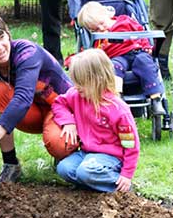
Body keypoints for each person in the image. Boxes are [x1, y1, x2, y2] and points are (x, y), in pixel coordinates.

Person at [0, 10, 77, 183]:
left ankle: (65, 156)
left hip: (64, 110)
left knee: (58, 144)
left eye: (1, 37)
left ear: (8, 33)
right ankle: (11, 165)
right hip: (30, 114)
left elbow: (23, 98)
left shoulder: (27, 52)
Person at [52, 49, 140, 192]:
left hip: (112, 157)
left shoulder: (118, 109)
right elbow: (59, 103)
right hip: (86, 153)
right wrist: (68, 122)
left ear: (98, 79)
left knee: (86, 171)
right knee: (64, 169)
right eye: (75, 82)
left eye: (81, 82)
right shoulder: (76, 95)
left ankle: (122, 188)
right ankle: (93, 185)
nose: (77, 87)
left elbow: (131, 144)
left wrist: (127, 174)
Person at [77, 1, 166, 116]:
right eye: (95, 29)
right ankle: (118, 98)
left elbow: (141, 33)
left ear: (108, 14)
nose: (101, 28)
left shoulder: (125, 21)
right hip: (117, 57)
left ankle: (155, 99)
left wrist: (147, 47)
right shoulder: (99, 39)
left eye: (102, 23)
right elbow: (96, 54)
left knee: (145, 62)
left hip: (137, 52)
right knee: (114, 66)